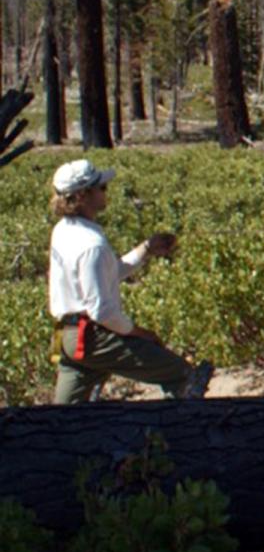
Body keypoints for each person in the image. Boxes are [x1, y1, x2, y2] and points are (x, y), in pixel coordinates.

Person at [48, 159, 212, 404]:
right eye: (101, 187)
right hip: (93, 339)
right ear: (83, 195)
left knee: (60, 419)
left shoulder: (63, 230)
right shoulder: (91, 244)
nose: (106, 192)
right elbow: (102, 312)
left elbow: (109, 273)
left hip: (69, 339)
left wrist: (146, 249)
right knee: (182, 374)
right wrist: (140, 333)